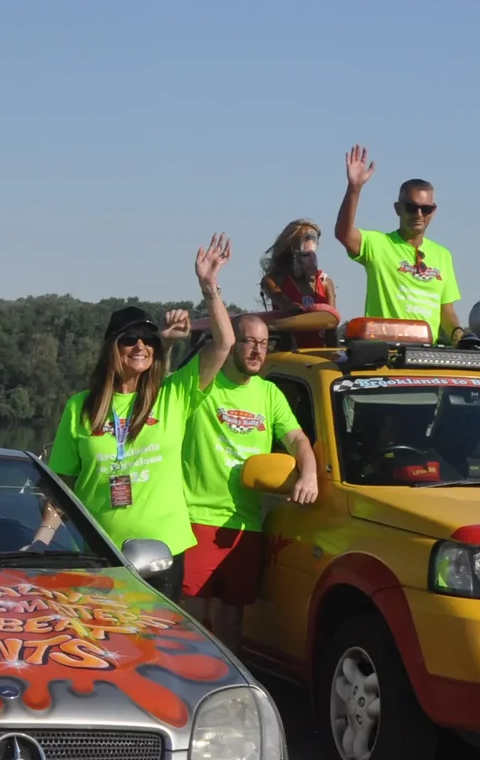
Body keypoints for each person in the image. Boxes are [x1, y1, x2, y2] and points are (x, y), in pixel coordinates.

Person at [39, 236, 235, 591]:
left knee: (158, 648)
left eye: (148, 339)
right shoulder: (81, 406)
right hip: (99, 555)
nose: (140, 345)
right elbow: (63, 485)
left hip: (164, 553)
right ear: (112, 347)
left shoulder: (172, 395)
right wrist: (42, 538)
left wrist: (209, 288)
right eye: (130, 339)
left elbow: (224, 344)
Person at [179, 311, 318, 643]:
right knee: (192, 626)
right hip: (196, 518)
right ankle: (188, 690)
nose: (257, 351)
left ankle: (228, 694)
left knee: (230, 627)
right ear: (231, 344)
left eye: (264, 344)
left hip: (245, 525)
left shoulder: (269, 394)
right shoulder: (203, 382)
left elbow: (298, 440)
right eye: (249, 342)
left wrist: (309, 475)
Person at [333, 145, 461, 343]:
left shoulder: (443, 255)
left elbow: (447, 311)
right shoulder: (379, 244)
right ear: (398, 208)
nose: (419, 214)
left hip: (424, 357)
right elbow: (343, 233)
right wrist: (354, 189)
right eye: (411, 208)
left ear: (433, 211)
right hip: (384, 352)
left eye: (426, 209)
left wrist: (459, 335)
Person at [257, 218, 340, 339]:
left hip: (320, 351)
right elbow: (286, 305)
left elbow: (332, 322)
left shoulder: (325, 283)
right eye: (305, 238)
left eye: (312, 238)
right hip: (290, 349)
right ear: (290, 246)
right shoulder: (274, 280)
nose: (310, 241)